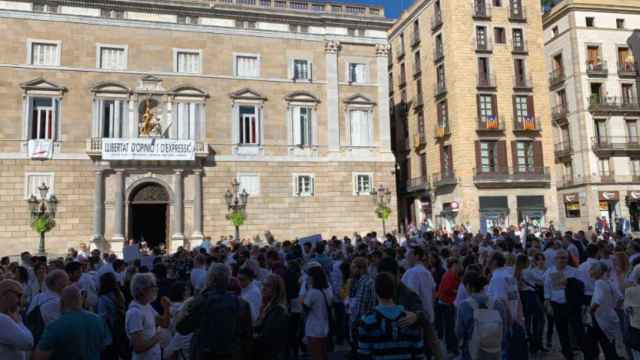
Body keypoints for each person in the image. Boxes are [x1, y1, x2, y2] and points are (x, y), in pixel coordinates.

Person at [176, 263, 253, 360]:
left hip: (205, 354)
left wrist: (187, 306)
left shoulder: (201, 301)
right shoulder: (242, 304)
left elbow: (182, 327)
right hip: (230, 353)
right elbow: (247, 336)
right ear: (228, 280)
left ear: (210, 279)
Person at [356, 272, 425, 360]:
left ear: (375, 292)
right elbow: (419, 355)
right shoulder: (410, 319)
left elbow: (363, 355)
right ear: (394, 290)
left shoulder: (366, 321)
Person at [33, 285, 112, 360]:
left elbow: (39, 357)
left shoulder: (54, 326)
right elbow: (104, 345)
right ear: (80, 300)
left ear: (61, 303)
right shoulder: (99, 320)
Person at [456, 270, 508, 360]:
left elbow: (459, 331)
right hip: (494, 349)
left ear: (468, 286)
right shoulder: (498, 304)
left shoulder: (464, 306)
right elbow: (504, 328)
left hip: (472, 350)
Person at [544, 249, 584, 360]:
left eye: (564, 258)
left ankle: (584, 351)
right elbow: (547, 288)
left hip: (571, 304)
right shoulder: (549, 271)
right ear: (555, 259)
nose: (562, 260)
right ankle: (567, 354)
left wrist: (570, 283)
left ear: (568, 259)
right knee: (562, 331)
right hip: (556, 304)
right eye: (559, 258)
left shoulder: (574, 271)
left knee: (577, 329)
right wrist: (547, 303)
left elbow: (581, 287)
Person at [126, 273, 171, 360]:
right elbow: (138, 347)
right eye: (153, 286)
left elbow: (164, 324)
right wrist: (157, 337)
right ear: (143, 290)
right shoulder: (135, 313)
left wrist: (166, 307)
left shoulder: (147, 306)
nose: (156, 289)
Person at [589, 261, 621, 360]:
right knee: (610, 343)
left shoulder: (599, 283)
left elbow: (597, 301)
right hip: (611, 316)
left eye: (592, 269)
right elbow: (620, 298)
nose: (590, 272)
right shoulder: (609, 282)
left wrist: (591, 311)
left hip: (600, 318)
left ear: (598, 271)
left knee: (604, 343)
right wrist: (611, 307)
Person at [253, 274, 289, 360]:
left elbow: (267, 336)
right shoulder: (267, 306)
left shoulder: (278, 310)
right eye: (263, 285)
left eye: (268, 286)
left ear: (276, 290)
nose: (263, 288)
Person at [303, 266, 333, 360]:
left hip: (313, 329)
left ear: (313, 277)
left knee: (315, 355)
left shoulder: (312, 293)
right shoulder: (327, 290)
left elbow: (304, 309)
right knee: (323, 355)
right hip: (324, 327)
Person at [97, 272, 128, 360]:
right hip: (120, 327)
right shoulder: (119, 294)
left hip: (109, 331)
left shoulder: (103, 299)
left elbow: (102, 318)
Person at [0, 279, 33, 360]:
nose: (21, 301)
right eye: (19, 295)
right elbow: (28, 343)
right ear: (5, 294)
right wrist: (18, 322)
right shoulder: (2, 319)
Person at [436, 257, 461, 355]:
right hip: (447, 304)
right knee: (450, 328)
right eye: (457, 265)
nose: (459, 267)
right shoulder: (449, 275)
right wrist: (457, 291)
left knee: (450, 327)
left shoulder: (452, 275)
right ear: (453, 266)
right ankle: (452, 349)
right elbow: (447, 289)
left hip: (448, 303)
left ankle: (452, 348)